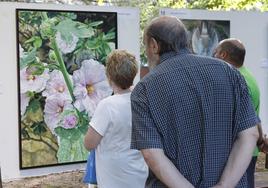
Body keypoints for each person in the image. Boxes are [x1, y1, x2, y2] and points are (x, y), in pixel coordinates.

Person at [130, 15, 260, 188]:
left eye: (145, 45)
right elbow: (249, 135)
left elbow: (152, 154)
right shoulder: (230, 73)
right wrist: (224, 185)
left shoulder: (145, 89)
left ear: (154, 45)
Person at [84, 50, 148, 188]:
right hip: (139, 174)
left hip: (114, 179)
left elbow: (89, 144)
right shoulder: (142, 102)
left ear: (109, 77)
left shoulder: (107, 106)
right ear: (134, 73)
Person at [213, 38, 267, 187]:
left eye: (216, 53)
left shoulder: (240, 81)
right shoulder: (246, 75)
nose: (214, 56)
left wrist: (261, 142)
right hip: (247, 149)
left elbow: (252, 119)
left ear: (223, 55)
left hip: (244, 150)